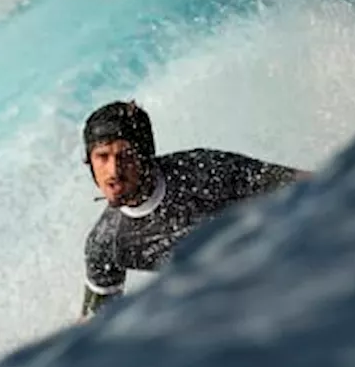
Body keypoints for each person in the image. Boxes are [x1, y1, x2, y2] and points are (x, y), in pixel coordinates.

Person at [79, 100, 311, 321]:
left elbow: (303, 184)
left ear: (145, 155)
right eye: (102, 157)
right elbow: (95, 326)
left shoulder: (202, 172)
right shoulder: (106, 243)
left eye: (125, 155)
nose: (113, 171)